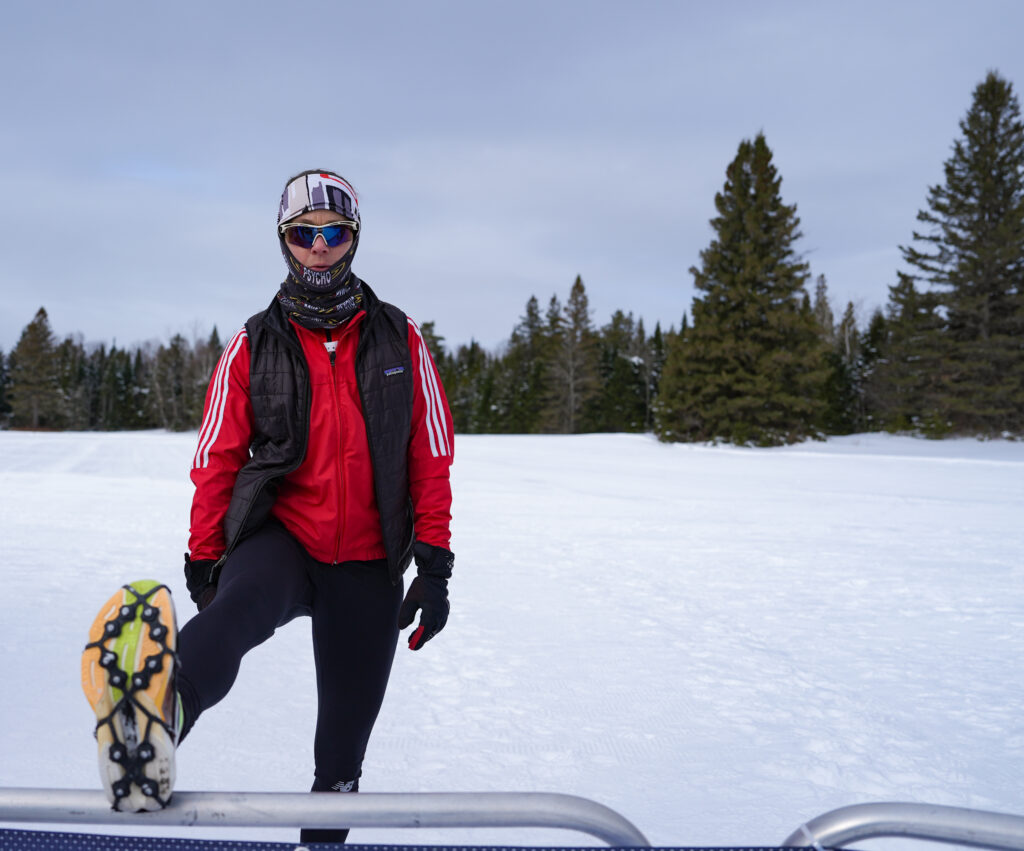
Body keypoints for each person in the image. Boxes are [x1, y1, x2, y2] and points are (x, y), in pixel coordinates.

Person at [82, 169, 455, 844]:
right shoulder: (257, 341)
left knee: (342, 760)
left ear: (353, 239)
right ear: (285, 242)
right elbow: (216, 455)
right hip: (284, 537)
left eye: (333, 232)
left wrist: (435, 563)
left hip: (370, 560)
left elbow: (430, 452)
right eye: (303, 233)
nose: (319, 246)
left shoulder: (400, 337)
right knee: (235, 613)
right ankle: (152, 728)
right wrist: (204, 556)